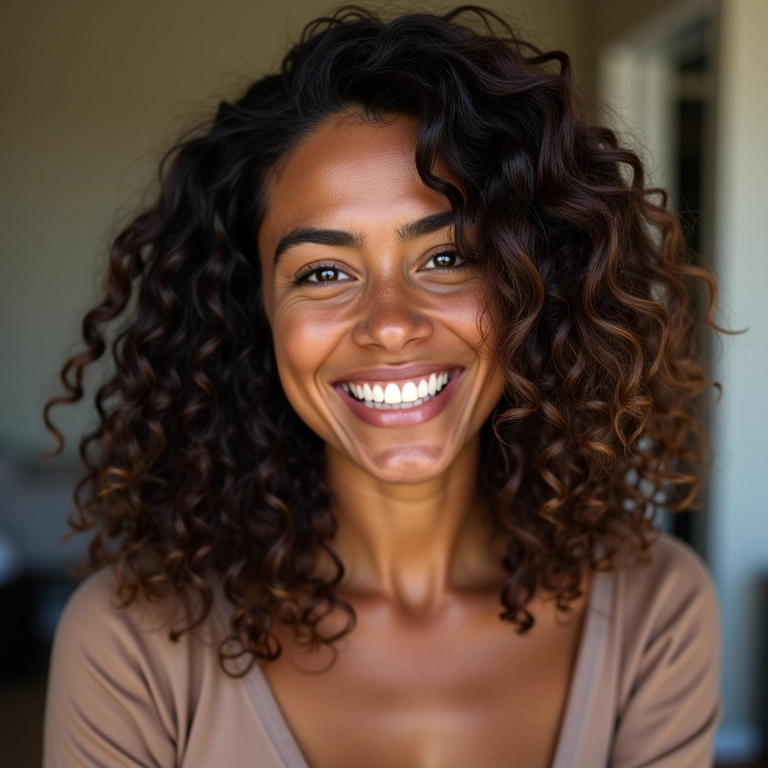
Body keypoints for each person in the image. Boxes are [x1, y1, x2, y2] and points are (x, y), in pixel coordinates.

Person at [41, 4, 725, 767]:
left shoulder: (654, 608)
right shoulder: (129, 642)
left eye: (447, 258)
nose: (391, 325)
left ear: (538, 287)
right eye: (323, 273)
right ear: (253, 308)